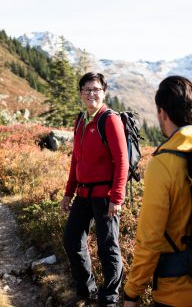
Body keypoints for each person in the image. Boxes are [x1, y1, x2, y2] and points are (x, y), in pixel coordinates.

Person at [123, 75, 192, 307]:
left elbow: (150, 239)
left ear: (163, 113)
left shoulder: (164, 163)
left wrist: (132, 292)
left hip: (179, 292)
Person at [61, 72, 129, 307]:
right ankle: (86, 291)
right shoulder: (80, 120)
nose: (92, 93)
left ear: (104, 92)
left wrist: (117, 197)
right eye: (87, 89)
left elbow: (122, 161)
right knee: (71, 239)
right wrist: (68, 192)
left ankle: (109, 299)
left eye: (96, 89)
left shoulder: (109, 119)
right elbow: (76, 160)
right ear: (81, 93)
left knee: (108, 248)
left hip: (105, 196)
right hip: (83, 194)